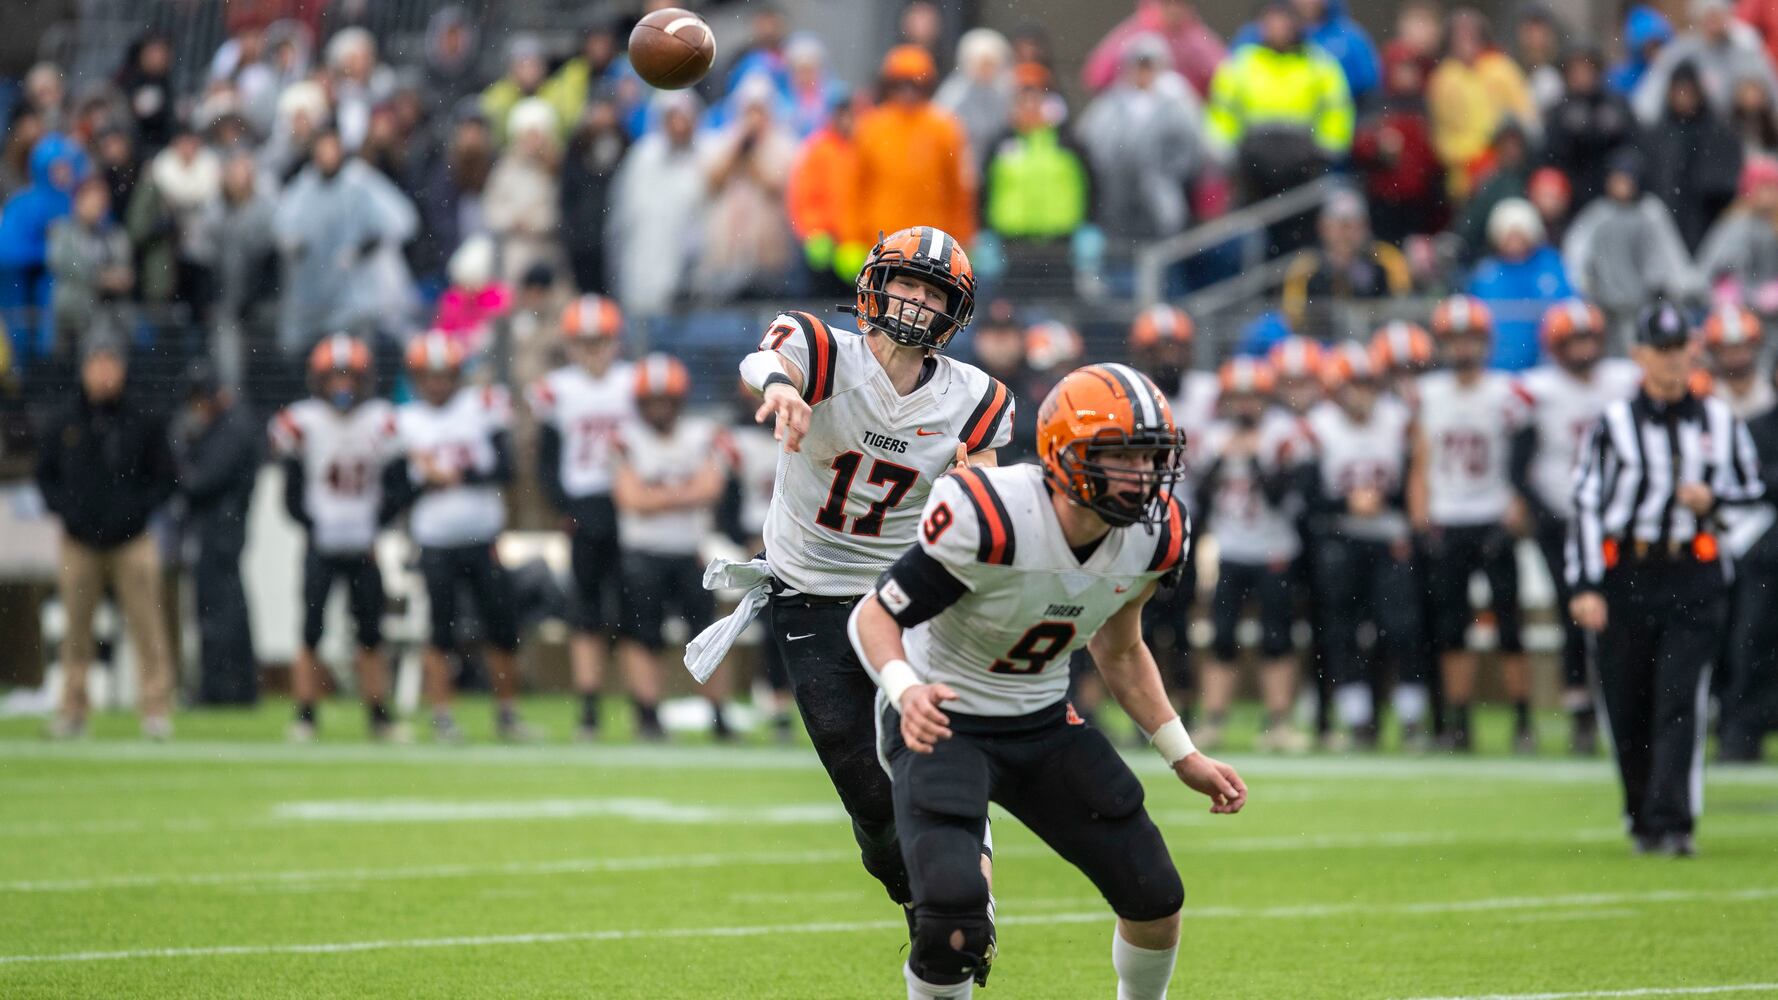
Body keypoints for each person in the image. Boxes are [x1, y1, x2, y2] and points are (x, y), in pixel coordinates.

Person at [848, 362, 1246, 1000]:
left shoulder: (1156, 534)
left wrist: (1182, 753)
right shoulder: (992, 514)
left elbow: (1121, 649)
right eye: (1121, 456)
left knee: (1154, 894)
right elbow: (875, 615)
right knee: (952, 923)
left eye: (1151, 458)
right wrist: (905, 689)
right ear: (1064, 453)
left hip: (1039, 720)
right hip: (942, 718)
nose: (1142, 475)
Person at [687, 226, 1011, 960]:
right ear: (875, 286)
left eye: (934, 293)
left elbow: (983, 488)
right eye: (907, 283)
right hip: (809, 593)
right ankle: (920, 895)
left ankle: (968, 896)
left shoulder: (974, 398)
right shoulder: (823, 349)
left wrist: (972, 491)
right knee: (863, 783)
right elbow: (763, 360)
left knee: (932, 752)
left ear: (953, 313)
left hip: (905, 600)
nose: (917, 301)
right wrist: (781, 391)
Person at [1568, 303, 1764, 856]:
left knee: (1679, 698)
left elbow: (1754, 495)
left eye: (1680, 349)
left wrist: (1714, 502)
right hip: (1627, 572)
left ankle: (1674, 820)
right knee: (1627, 701)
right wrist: (1585, 584)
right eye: (1662, 349)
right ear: (1640, 355)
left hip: (1693, 572)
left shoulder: (1719, 420)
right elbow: (1585, 501)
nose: (1672, 360)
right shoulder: (1613, 423)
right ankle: (1642, 816)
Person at [393, 332, 537, 744]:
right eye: (428, 375)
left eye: (443, 374)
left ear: (457, 375)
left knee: (501, 627)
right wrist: (423, 480)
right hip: (434, 541)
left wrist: (457, 475)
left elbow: (506, 470)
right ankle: (443, 715)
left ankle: (507, 714)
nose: (436, 383)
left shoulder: (481, 407)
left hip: (482, 538)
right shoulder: (405, 421)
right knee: (440, 630)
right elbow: (395, 491)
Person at [1512, 301, 1641, 754]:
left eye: (1588, 338)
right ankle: (1581, 714)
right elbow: (1518, 463)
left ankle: (1626, 707)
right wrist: (1540, 512)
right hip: (1561, 517)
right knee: (1574, 615)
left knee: (1624, 615)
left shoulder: (1625, 381)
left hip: (1617, 520)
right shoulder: (1538, 390)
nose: (1583, 348)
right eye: (1574, 340)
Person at [1408, 295, 1534, 753]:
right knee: (1450, 627)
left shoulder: (1506, 392)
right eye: (1455, 338)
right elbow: (1420, 461)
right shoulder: (1428, 394)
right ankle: (1458, 721)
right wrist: (1421, 520)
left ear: (1485, 342)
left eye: (1470, 338)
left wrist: (1518, 504)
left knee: (1510, 625)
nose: (1463, 347)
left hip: (1493, 516)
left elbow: (1527, 454)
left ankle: (1523, 721)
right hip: (1448, 519)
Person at [35, 338, 177, 740]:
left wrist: (135, 512)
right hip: (79, 541)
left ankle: (155, 707)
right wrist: (70, 513)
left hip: (133, 540)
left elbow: (165, 477)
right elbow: (45, 476)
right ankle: (73, 708)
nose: (103, 374)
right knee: (76, 630)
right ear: (84, 371)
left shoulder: (143, 419)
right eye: (96, 365)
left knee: (147, 625)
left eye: (109, 364)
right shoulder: (64, 420)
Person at [270, 335, 404, 742]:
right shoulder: (303, 421)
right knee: (311, 631)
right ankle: (305, 713)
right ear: (319, 379)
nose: (342, 385)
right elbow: (291, 492)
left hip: (364, 545)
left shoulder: (381, 420)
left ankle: (378, 714)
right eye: (335, 376)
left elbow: (397, 486)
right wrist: (313, 526)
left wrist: (375, 523)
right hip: (322, 545)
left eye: (349, 375)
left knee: (371, 633)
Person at [1305, 341, 1427, 749]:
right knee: (1344, 632)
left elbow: (1416, 483)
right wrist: (1347, 504)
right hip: (1341, 539)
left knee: (1401, 629)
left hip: (1390, 539)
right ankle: (1357, 720)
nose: (1363, 393)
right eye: (1354, 384)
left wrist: (1386, 501)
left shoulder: (1398, 420)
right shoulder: (1319, 425)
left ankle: (1410, 718)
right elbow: (1308, 498)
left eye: (1368, 384)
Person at [528, 295, 635, 741]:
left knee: (631, 609)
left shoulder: (633, 382)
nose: (593, 350)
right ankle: (589, 706)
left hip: (630, 503)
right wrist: (565, 508)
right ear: (570, 344)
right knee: (586, 611)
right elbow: (546, 460)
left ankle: (641, 705)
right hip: (584, 503)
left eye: (600, 340)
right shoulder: (558, 389)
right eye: (585, 341)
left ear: (615, 341)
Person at [613, 354, 733, 741]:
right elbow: (631, 499)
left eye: (665, 400)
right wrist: (684, 493)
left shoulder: (701, 434)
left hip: (689, 552)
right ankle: (648, 715)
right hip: (642, 553)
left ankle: (718, 715)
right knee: (643, 637)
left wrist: (658, 495)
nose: (659, 408)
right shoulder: (627, 437)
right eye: (652, 401)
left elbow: (711, 489)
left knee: (708, 635)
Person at [1195, 358, 1308, 752]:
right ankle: (1213, 721)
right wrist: (1222, 459)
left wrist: (1256, 459)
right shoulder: (1214, 436)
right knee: (1222, 636)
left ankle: (1279, 722)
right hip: (1230, 546)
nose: (1245, 405)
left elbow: (1281, 497)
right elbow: (1201, 496)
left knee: (1277, 636)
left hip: (1273, 548)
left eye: (1252, 397)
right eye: (1239, 397)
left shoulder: (1283, 433)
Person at [1128, 305, 1216, 712]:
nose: (1169, 357)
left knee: (1182, 622)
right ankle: (1145, 705)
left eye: (1175, 347)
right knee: (1142, 620)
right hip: (1137, 519)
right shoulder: (1131, 393)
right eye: (1159, 348)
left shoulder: (1208, 393)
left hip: (1193, 518)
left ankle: (1186, 702)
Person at [1207, 3, 1353, 217]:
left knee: (1300, 220)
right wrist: (1224, 148)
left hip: (1304, 158)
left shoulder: (1318, 63)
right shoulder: (1243, 62)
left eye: (1283, 22)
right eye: (1271, 23)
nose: (1278, 29)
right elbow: (1223, 108)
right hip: (1252, 160)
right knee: (1249, 220)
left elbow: (1336, 108)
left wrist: (1328, 148)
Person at [176, 362, 261, 706]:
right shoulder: (234, 423)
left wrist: (183, 466)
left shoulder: (231, 427)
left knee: (217, 610)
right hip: (224, 527)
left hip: (220, 530)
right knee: (224, 608)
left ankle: (223, 688)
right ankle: (234, 687)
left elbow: (202, 481)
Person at [1076, 35, 1207, 245]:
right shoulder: (1110, 104)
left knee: (1161, 246)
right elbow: (1089, 141)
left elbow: (1192, 147)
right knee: (1119, 246)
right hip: (1117, 195)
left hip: (1159, 196)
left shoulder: (1176, 105)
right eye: (1139, 66)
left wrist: (1166, 173)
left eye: (1149, 66)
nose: (1143, 73)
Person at [852, 47, 975, 244]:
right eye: (899, 84)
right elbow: (855, 186)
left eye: (915, 85)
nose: (907, 92)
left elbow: (958, 189)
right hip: (881, 237)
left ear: (927, 86)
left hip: (931, 239)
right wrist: (853, 235)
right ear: (888, 86)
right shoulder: (872, 127)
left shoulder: (944, 127)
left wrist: (962, 235)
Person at [1723, 357, 1778, 760]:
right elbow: (1749, 483)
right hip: (1765, 554)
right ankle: (1741, 730)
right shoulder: (1757, 428)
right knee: (1751, 640)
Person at [1427, 8, 1536, 200]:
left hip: (1505, 168)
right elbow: (1441, 134)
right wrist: (1473, 158)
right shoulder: (1443, 79)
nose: (1465, 42)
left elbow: (1524, 116)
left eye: (1471, 35)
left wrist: (1496, 155)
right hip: (1463, 179)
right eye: (1459, 36)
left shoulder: (1502, 70)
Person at [1280, 189, 1412, 339]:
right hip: (1322, 342)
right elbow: (1293, 317)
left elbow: (1401, 305)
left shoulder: (1387, 259)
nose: (1346, 236)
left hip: (1375, 339)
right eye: (1340, 227)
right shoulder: (1305, 267)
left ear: (1365, 228)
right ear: (1323, 228)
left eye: (1352, 226)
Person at [1644, 62, 1744, 254]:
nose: (1684, 99)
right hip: (1667, 222)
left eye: (1688, 92)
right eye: (1678, 92)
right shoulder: (1657, 134)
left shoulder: (1719, 132)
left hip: (1708, 223)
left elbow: (1726, 185)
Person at [1466, 198, 1576, 371]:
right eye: (1508, 235)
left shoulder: (1551, 266)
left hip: (1546, 368)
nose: (1514, 242)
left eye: (1519, 235)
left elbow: (1569, 310)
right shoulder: (1486, 273)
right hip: (1497, 370)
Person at [1632, 0, 1778, 126]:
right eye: (1709, 16)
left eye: (1718, 15)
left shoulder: (1746, 48)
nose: (1714, 23)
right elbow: (1652, 92)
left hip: (1739, 128)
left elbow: (1770, 87)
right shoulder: (1683, 51)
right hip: (1695, 129)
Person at [1541, 47, 1637, 210]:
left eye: (1587, 70)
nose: (1582, 76)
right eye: (1576, 71)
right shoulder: (1559, 111)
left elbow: (1632, 148)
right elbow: (1551, 156)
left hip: (1611, 197)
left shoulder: (1617, 107)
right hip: (1571, 198)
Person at [1082, 0, 1226, 98]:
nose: (1174, 9)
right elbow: (1097, 75)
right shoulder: (1137, 32)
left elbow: (1223, 77)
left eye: (1181, 3)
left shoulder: (1197, 39)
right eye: (1168, 3)